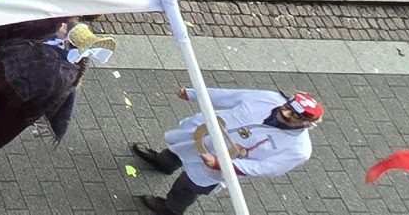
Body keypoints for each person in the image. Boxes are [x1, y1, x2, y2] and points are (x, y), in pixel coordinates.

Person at [131, 89, 321, 213]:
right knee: (178, 150)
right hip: (205, 134)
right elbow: (230, 95)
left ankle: (171, 209)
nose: (285, 114)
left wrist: (221, 164)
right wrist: (193, 94)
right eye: (287, 107)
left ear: (306, 122)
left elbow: (265, 168)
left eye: (294, 115)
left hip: (221, 165)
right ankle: (164, 163)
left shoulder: (299, 149)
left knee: (188, 185)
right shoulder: (270, 98)